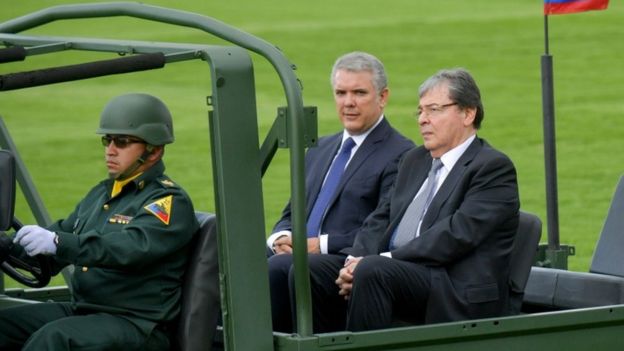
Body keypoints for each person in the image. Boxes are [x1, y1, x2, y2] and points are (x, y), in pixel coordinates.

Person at [306, 68, 520, 332]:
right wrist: (353, 260)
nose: (422, 120)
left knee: (374, 271)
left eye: (433, 110)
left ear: (468, 113)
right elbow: (381, 217)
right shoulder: (414, 160)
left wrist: (386, 258)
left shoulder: (491, 167)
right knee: (305, 269)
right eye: (420, 111)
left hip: (452, 286)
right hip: (399, 269)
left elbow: (455, 235)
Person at [0, 93, 199, 350]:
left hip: (137, 324)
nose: (111, 150)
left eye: (123, 142)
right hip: (86, 311)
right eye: (107, 140)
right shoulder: (102, 194)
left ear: (154, 150)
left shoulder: (167, 201)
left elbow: (129, 248)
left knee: (55, 339)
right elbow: (55, 245)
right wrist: (8, 247)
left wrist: (59, 243)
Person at [267, 51, 415, 332]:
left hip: (346, 259)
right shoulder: (320, 148)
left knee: (282, 268)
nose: (348, 102)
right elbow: (291, 211)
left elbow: (383, 228)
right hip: (299, 256)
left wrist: (316, 245)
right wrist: (281, 237)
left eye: (359, 92)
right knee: (238, 262)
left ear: (383, 97)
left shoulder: (401, 154)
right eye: (341, 92)